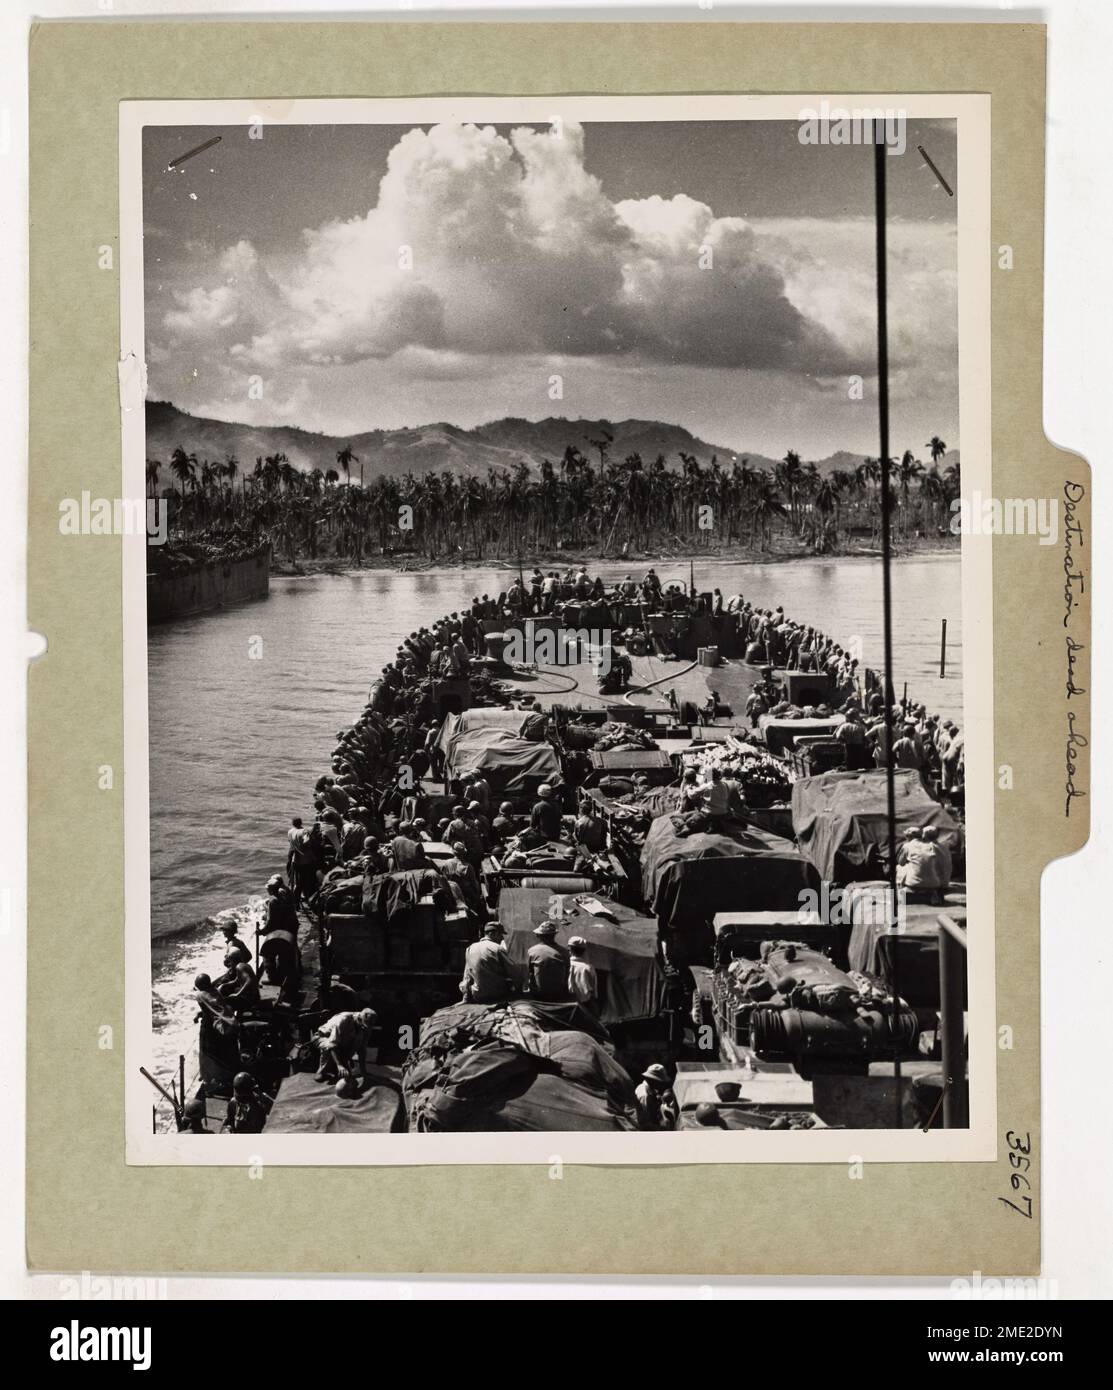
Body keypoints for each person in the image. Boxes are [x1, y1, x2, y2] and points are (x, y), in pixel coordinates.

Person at [314, 1007, 379, 1084]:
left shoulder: (367, 1025)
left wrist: (363, 1072)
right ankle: (322, 1070)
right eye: (365, 1026)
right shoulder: (343, 1020)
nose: (367, 1028)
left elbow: (362, 1050)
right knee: (329, 1045)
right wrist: (339, 1065)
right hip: (322, 1037)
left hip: (341, 1041)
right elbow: (332, 1045)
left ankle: (340, 1064)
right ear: (359, 1019)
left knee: (358, 1040)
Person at [461, 920, 518, 1003]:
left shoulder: (470, 948)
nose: (502, 938)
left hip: (477, 995)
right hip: (496, 994)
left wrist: (465, 997)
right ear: (492, 934)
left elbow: (467, 976)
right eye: (500, 934)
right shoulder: (497, 948)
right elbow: (515, 973)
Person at [896, 825, 953, 901]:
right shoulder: (932, 846)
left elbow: (901, 862)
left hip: (913, 884)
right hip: (935, 883)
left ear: (908, 836)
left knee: (900, 867)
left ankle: (902, 889)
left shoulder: (907, 846)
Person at [526, 921, 571, 1001]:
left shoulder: (532, 951)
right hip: (559, 995)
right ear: (554, 935)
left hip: (539, 995)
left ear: (539, 936)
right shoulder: (564, 952)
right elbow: (567, 973)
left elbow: (529, 972)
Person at [635, 1063, 679, 1131]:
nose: (661, 1084)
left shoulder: (646, 1088)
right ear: (653, 1080)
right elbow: (645, 1124)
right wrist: (663, 1129)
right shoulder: (645, 1096)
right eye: (659, 1081)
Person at [567, 937, 599, 1012]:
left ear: (570, 949)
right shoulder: (588, 967)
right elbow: (593, 991)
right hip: (585, 1005)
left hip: (569, 1004)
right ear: (584, 950)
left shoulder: (566, 964)